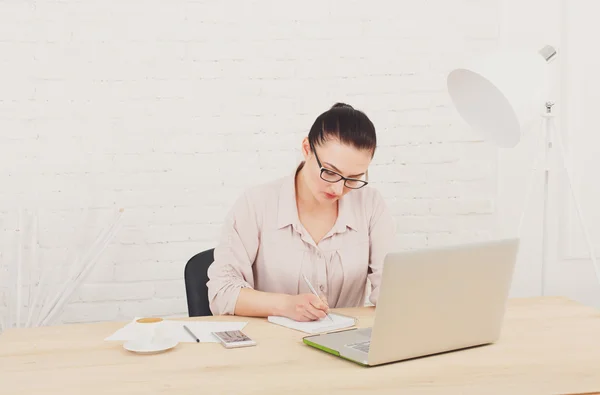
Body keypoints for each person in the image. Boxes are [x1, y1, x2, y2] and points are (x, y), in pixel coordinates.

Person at [206, 103, 395, 322]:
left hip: (346, 343)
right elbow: (222, 292)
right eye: (330, 172)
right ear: (306, 148)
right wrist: (285, 305)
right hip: (272, 344)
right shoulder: (257, 204)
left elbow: (390, 290)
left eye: (353, 178)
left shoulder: (370, 204)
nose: (338, 189)